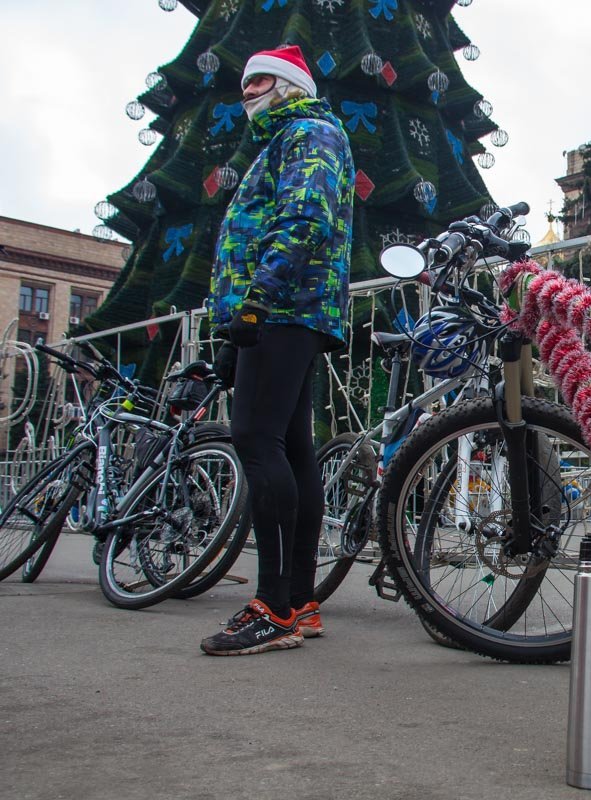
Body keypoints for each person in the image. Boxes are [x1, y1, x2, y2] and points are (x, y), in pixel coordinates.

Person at [201, 45, 355, 656]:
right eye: (244, 82)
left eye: (260, 79)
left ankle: (273, 607)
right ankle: (298, 601)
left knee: (257, 441)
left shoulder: (309, 132)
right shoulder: (294, 136)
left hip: (284, 307)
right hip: (289, 309)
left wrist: (256, 300)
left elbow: (303, 218)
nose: (247, 90)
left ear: (292, 83)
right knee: (292, 450)